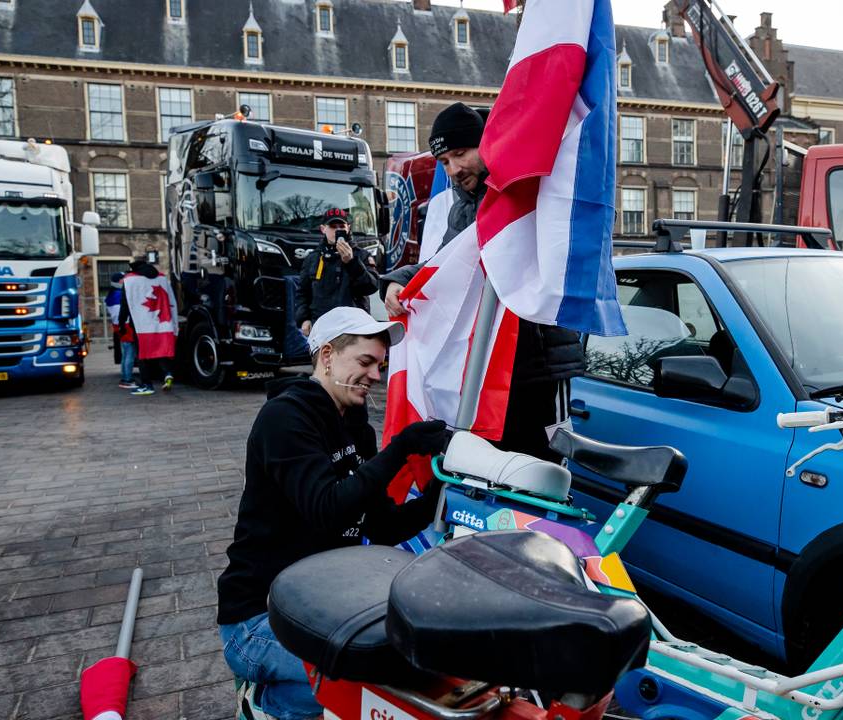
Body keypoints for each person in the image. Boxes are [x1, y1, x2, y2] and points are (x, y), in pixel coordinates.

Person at [216, 306, 447, 719]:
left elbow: (380, 525)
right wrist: (400, 450)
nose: (376, 375)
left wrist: (439, 496)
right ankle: (264, 704)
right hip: (257, 616)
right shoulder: (284, 418)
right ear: (326, 355)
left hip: (323, 603)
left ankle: (292, 699)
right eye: (365, 361)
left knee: (415, 672)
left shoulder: (356, 424)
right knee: (373, 687)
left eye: (380, 364)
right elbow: (327, 509)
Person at [380, 102, 584, 461]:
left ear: (487, 143)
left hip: (538, 361)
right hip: (485, 362)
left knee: (544, 465)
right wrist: (398, 282)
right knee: (496, 464)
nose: (454, 170)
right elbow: (443, 263)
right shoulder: (462, 207)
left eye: (460, 154)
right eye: (444, 162)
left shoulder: (525, 183)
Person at [294, 208, 378, 337]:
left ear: (348, 228)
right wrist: (303, 319)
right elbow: (302, 293)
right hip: (321, 326)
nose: (338, 230)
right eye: (333, 226)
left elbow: (371, 286)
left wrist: (352, 263)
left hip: (354, 327)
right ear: (323, 229)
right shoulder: (313, 258)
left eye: (341, 226)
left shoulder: (362, 255)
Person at [119, 259, 178, 396]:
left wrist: (122, 323)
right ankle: (167, 373)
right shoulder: (162, 278)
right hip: (162, 322)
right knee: (162, 351)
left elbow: (125, 304)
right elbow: (171, 300)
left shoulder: (130, 280)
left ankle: (147, 385)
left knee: (143, 355)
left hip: (141, 325)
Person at [105, 272, 138, 389]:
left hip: (119, 326)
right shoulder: (119, 294)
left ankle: (125, 377)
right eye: (124, 279)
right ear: (120, 281)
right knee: (129, 353)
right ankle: (127, 379)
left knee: (125, 353)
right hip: (126, 325)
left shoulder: (112, 294)